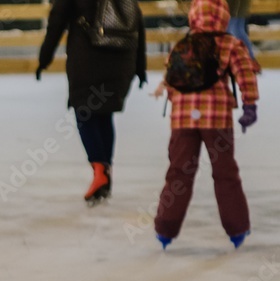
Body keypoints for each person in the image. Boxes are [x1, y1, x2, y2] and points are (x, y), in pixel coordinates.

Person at [152, 0, 259, 249]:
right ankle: (237, 229)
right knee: (225, 173)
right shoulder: (231, 43)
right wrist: (250, 105)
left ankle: (165, 229)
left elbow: (172, 78)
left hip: (182, 120)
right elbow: (245, 73)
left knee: (179, 173)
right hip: (217, 119)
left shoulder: (182, 44)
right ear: (223, 16)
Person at [37, 0, 147, 204]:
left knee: (84, 113)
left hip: (88, 57)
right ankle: (104, 173)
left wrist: (44, 59)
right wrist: (140, 67)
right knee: (104, 115)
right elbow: (136, 21)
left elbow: (57, 21)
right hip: (122, 59)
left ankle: (100, 171)